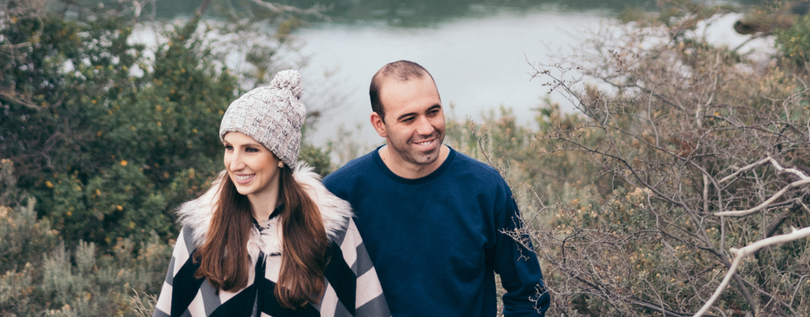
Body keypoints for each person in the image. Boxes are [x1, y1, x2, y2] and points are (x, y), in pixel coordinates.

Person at [153, 70, 392, 317]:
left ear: (280, 157)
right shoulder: (200, 233)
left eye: (250, 149)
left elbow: (370, 310)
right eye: (229, 147)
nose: (234, 164)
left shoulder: (329, 233)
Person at [323, 61, 549, 317]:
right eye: (409, 118)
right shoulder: (338, 195)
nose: (426, 128)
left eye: (433, 112)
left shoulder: (485, 188)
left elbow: (529, 293)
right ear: (379, 124)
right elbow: (308, 294)